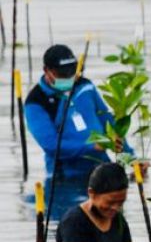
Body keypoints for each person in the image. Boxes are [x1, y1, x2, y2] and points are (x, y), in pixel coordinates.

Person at [25, 44, 123, 186]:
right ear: (47, 71)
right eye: (62, 74)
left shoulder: (85, 86)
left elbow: (107, 121)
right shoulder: (36, 102)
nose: (68, 77)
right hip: (65, 177)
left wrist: (132, 158)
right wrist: (91, 147)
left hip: (102, 169)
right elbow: (51, 146)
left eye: (71, 72)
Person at [56, 162, 137, 242]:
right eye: (110, 202)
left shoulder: (118, 219)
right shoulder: (74, 221)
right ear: (91, 193)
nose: (115, 208)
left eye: (121, 202)